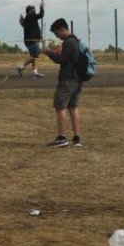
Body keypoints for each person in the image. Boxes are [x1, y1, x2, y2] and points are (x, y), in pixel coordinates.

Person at [42, 18, 83, 148]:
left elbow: (61, 59)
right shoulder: (76, 41)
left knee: (60, 106)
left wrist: (48, 52)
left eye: (57, 33)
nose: (57, 36)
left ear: (62, 29)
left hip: (68, 79)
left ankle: (61, 138)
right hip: (77, 79)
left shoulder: (68, 43)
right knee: (72, 107)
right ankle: (77, 138)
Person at [17, 4, 46, 78]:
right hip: (32, 41)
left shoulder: (28, 18)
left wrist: (39, 37)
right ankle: (21, 67)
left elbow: (35, 28)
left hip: (29, 41)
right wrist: (42, 7)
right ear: (29, 11)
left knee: (34, 57)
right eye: (33, 10)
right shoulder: (31, 16)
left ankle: (35, 72)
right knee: (35, 56)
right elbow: (41, 15)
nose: (34, 11)